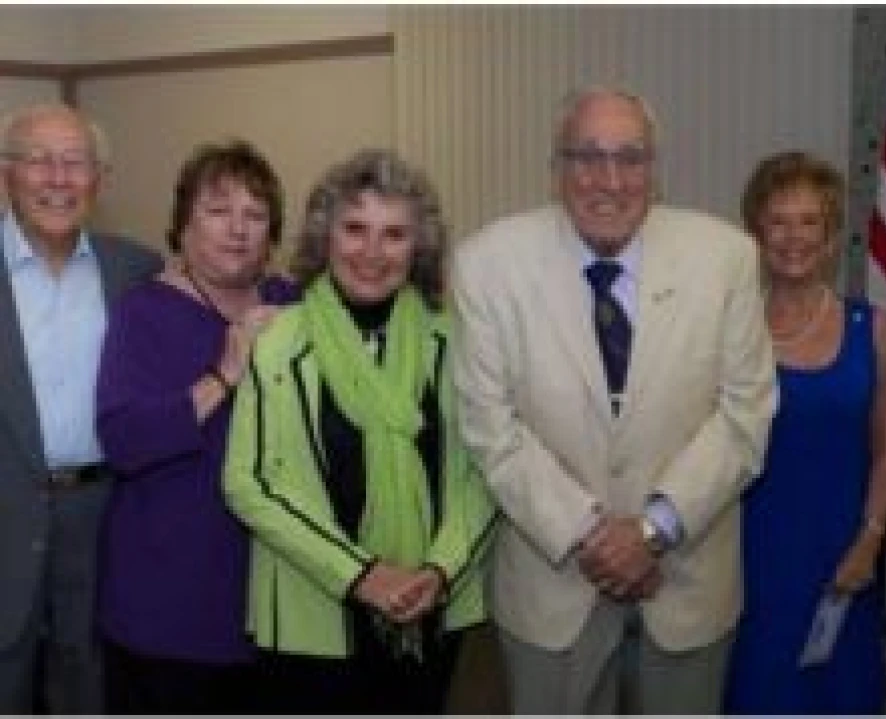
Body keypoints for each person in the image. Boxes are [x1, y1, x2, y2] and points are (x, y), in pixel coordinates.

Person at [450, 86, 777, 713]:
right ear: (556, 166)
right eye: (587, 157)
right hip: (551, 590)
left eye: (630, 157)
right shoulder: (488, 264)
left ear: (654, 168)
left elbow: (746, 414)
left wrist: (652, 531)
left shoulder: (726, 258)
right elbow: (490, 428)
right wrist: (596, 537)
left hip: (688, 585)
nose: (610, 180)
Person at [222, 147, 494, 714]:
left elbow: (486, 473)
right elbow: (250, 484)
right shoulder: (276, 341)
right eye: (355, 229)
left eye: (394, 234)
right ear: (325, 236)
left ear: (418, 247)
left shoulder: (456, 343)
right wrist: (362, 577)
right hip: (311, 618)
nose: (372, 252)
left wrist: (438, 572)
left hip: (428, 612)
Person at [94, 139, 297, 713]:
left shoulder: (291, 303)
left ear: (272, 234)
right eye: (218, 210)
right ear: (184, 226)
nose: (238, 228)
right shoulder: (143, 311)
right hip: (167, 605)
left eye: (255, 214)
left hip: (273, 599)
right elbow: (123, 441)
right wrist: (223, 375)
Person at [721, 151, 886, 713]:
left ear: (830, 236)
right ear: (755, 233)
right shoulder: (728, 329)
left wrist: (870, 542)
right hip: (748, 563)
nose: (793, 237)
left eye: (809, 222)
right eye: (778, 221)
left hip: (845, 559)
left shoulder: (872, 327)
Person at [0, 104, 161, 713]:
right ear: (6, 173)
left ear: (100, 179)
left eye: (75, 162)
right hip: (5, 516)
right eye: (38, 161)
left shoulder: (137, 271)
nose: (58, 179)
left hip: (103, 520)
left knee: (88, 686)